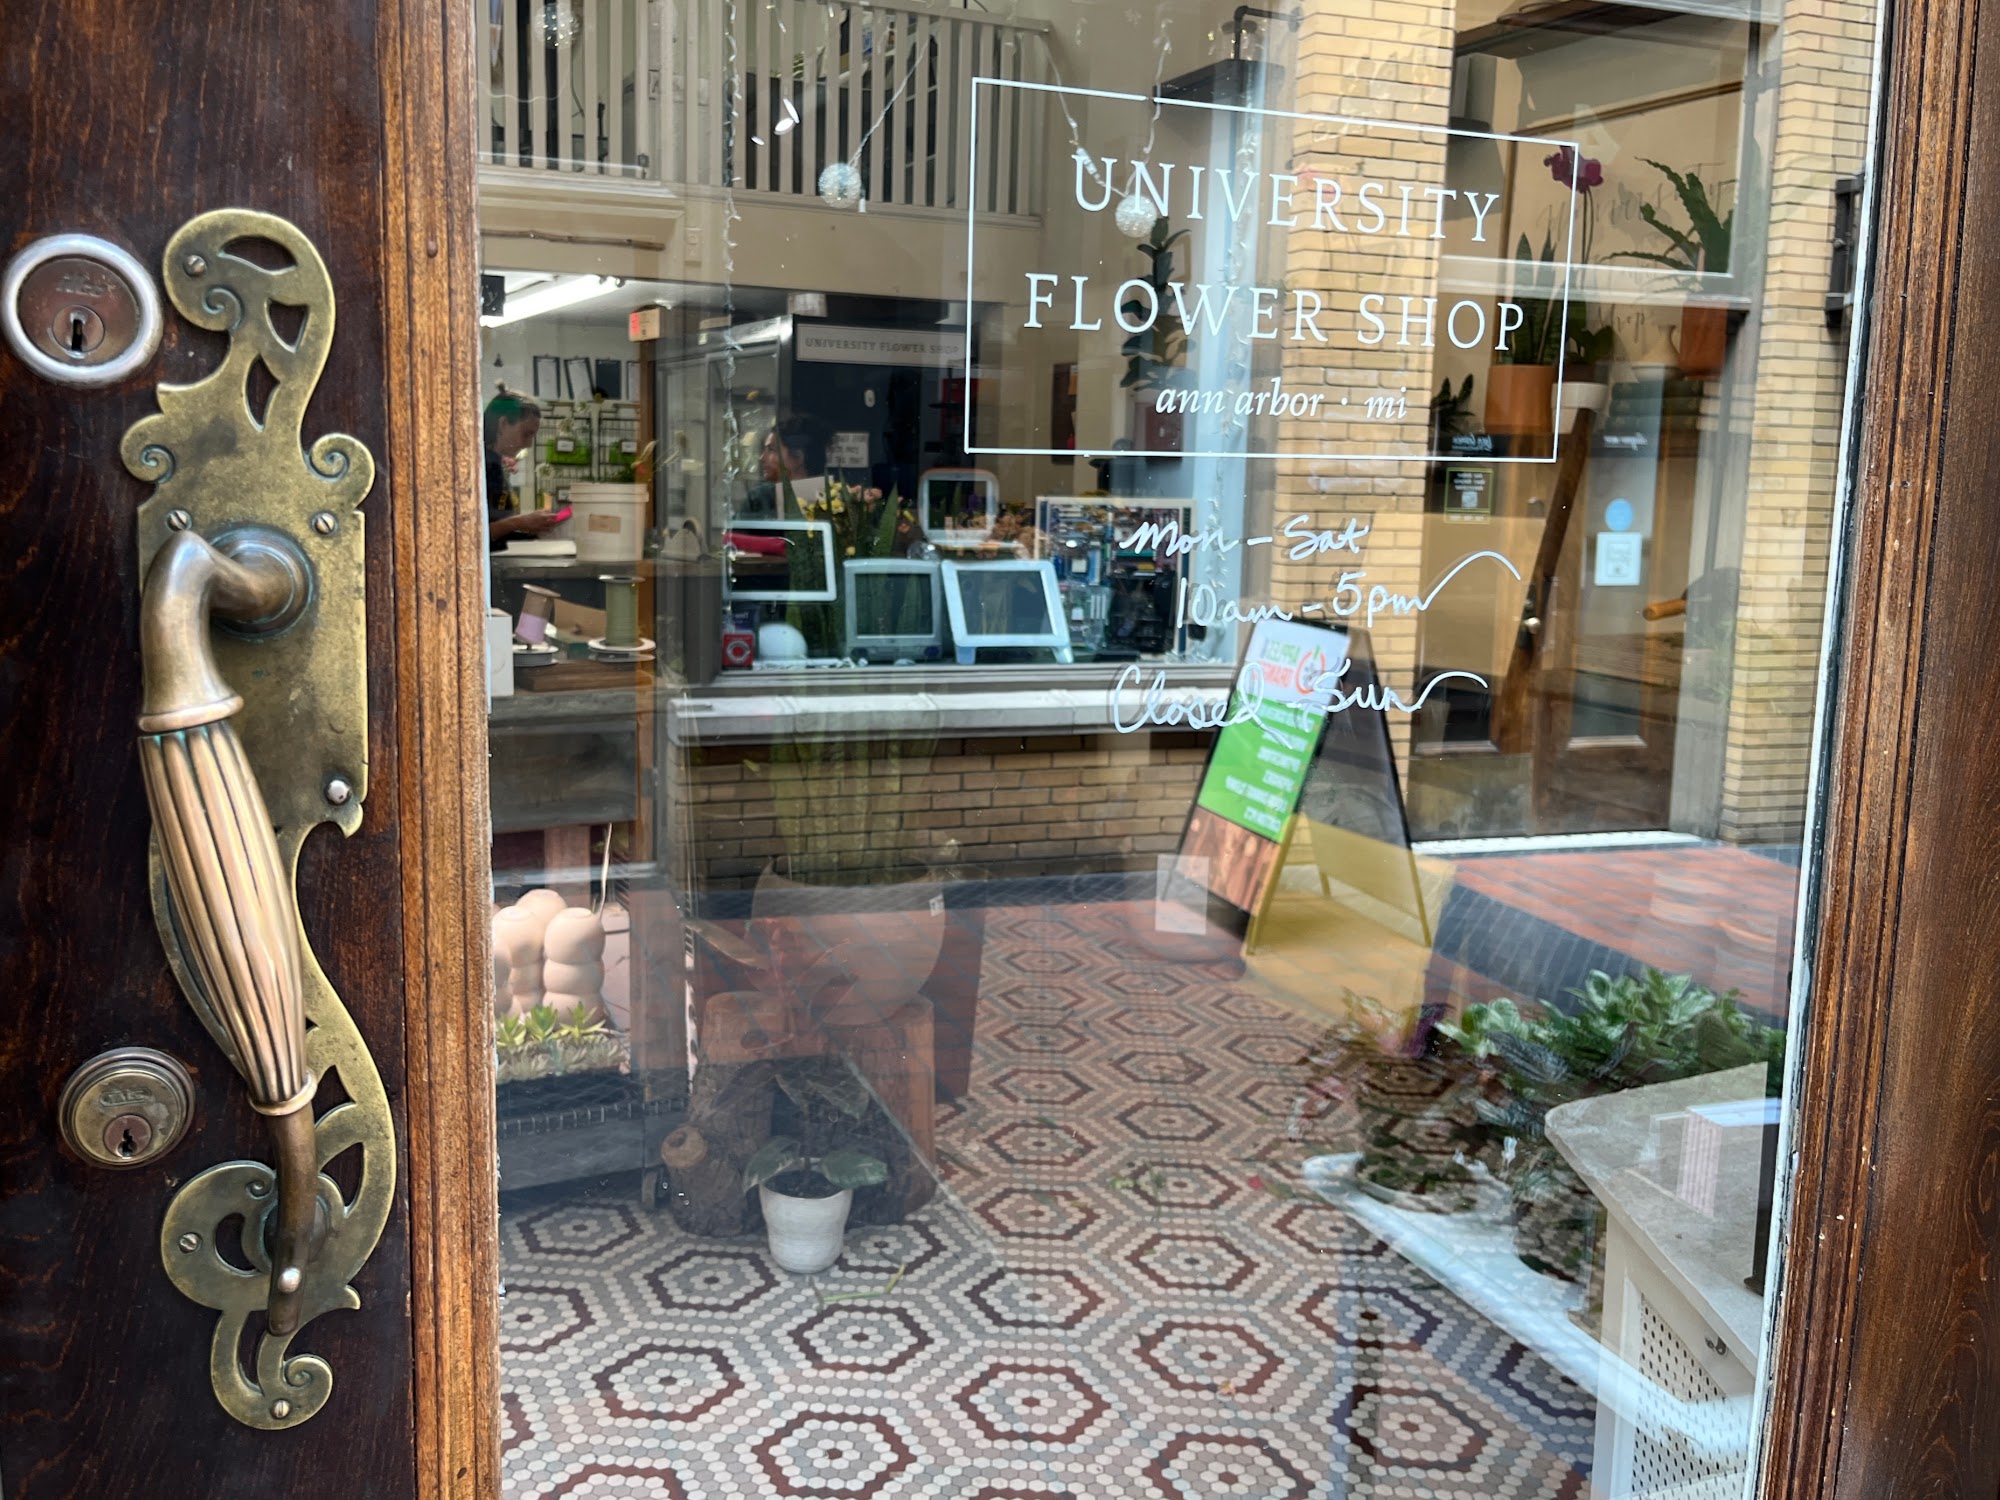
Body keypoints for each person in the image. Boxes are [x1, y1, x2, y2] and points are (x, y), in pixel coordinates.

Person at [484, 391, 566, 547]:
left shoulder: (494, 463)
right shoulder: (479, 467)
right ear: (503, 424)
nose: (529, 444)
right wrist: (519, 522)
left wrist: (528, 527)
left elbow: (494, 529)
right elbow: (472, 533)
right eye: (526, 434)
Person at [759, 416, 825, 508]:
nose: (762, 458)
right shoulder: (757, 500)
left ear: (798, 456)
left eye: (772, 449)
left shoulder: (830, 500)